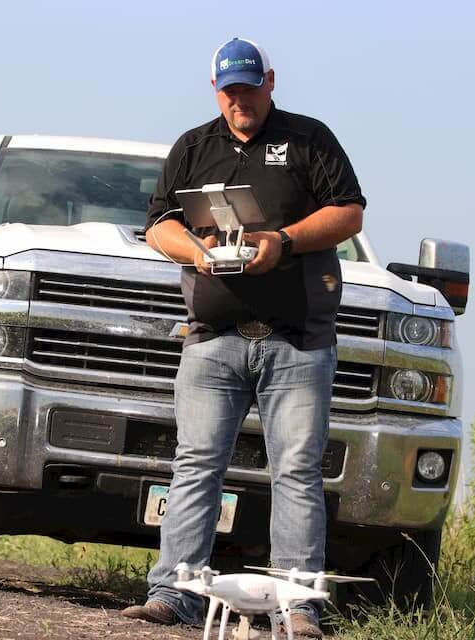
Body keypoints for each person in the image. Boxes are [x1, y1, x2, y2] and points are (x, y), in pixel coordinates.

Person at [120, 37, 366, 639]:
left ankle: (297, 604)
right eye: (230, 91)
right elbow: (158, 225)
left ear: (270, 82)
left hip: (297, 340)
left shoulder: (310, 139)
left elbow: (350, 212)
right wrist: (199, 255)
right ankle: (176, 592)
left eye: (250, 88)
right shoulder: (193, 147)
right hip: (213, 336)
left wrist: (280, 242)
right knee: (196, 463)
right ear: (215, 91)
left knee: (298, 470)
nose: (240, 101)